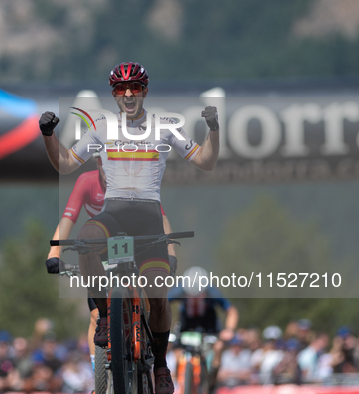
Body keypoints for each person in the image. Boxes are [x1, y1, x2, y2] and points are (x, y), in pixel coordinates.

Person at [41, 61, 219, 394]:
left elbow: (205, 161)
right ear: (113, 94)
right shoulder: (100, 127)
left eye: (135, 87)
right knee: (87, 239)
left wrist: (214, 130)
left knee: (160, 297)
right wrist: (48, 135)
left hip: (149, 216)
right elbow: (64, 162)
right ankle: (107, 319)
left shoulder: (165, 125)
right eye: (121, 89)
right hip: (114, 215)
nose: (128, 94)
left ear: (145, 91)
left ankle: (162, 366)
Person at [46, 150, 177, 375]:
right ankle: (99, 370)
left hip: (138, 243)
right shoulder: (86, 182)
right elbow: (69, 217)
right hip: (104, 247)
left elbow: (161, 218)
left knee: (152, 298)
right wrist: (54, 252)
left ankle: (152, 351)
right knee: (96, 313)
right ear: (99, 162)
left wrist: (171, 252)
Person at [168, 266, 238, 389]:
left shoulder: (212, 292)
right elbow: (160, 305)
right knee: (176, 349)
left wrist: (229, 330)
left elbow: (231, 311)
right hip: (186, 323)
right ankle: (179, 380)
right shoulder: (179, 290)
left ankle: (212, 380)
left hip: (209, 323)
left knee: (218, 347)